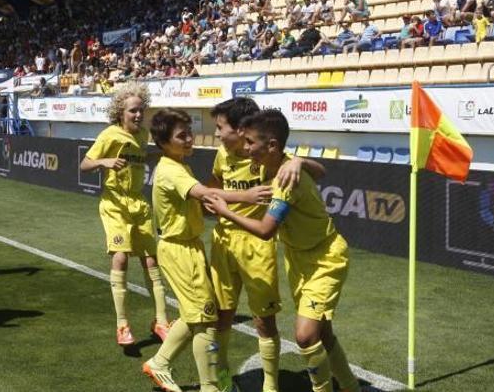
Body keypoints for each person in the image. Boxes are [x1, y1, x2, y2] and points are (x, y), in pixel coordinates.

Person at [204, 109, 361, 392]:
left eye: (251, 142)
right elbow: (321, 171)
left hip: (325, 258)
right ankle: (350, 386)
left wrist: (226, 212)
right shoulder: (276, 165)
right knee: (322, 332)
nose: (246, 147)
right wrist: (299, 160)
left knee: (304, 336)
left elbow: (266, 230)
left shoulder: (285, 182)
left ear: (272, 146)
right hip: (298, 259)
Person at [142, 108, 231, 392]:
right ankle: (210, 387)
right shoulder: (170, 169)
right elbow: (206, 194)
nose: (190, 139)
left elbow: (197, 199)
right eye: (182, 135)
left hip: (187, 247)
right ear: (164, 142)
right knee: (205, 320)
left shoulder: (179, 164)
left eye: (189, 132)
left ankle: (159, 362)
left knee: (195, 315)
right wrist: (247, 195)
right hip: (179, 249)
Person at [79, 82, 170, 347]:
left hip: (139, 204)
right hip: (115, 205)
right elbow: (84, 164)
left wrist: (159, 153)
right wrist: (103, 162)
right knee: (120, 258)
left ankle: (161, 322)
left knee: (151, 261)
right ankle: (122, 325)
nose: (138, 115)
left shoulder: (142, 135)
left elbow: (139, 155)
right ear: (121, 112)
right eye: (133, 111)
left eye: (141, 110)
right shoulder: (109, 135)